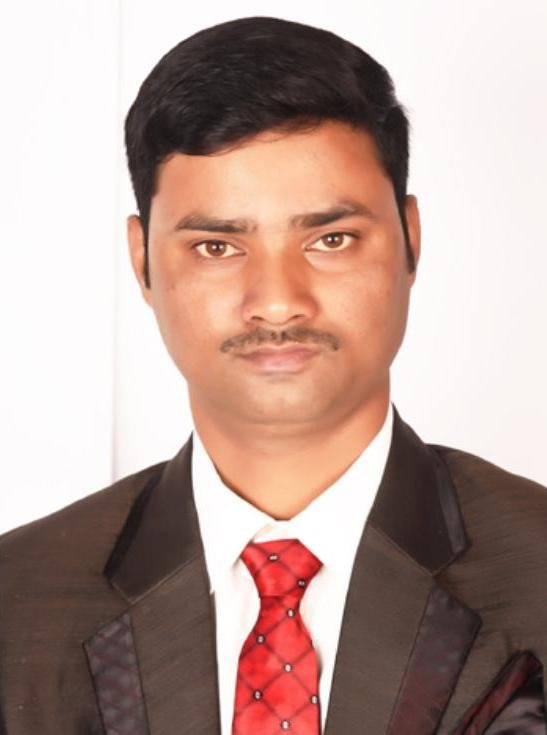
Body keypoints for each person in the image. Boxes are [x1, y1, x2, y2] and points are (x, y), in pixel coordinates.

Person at [1, 15, 546, 735]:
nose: (279, 301)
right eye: (217, 246)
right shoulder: (16, 604)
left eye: (331, 238)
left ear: (410, 239)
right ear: (142, 260)